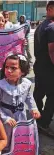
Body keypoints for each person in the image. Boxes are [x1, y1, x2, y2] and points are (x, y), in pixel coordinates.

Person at [0, 54, 41, 152]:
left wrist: (34, 108)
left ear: (22, 71)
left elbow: (28, 97)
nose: (9, 70)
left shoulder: (26, 84)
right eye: (6, 67)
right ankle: (6, 151)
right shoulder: (0, 85)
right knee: (5, 136)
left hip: (20, 115)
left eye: (13, 68)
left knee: (19, 135)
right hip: (5, 116)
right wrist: (5, 118)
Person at [33, 1, 54, 136]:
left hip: (40, 65)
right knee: (52, 96)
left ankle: (37, 118)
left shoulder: (42, 25)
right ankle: (44, 123)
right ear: (50, 9)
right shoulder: (52, 27)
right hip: (49, 67)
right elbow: (52, 51)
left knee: (39, 93)